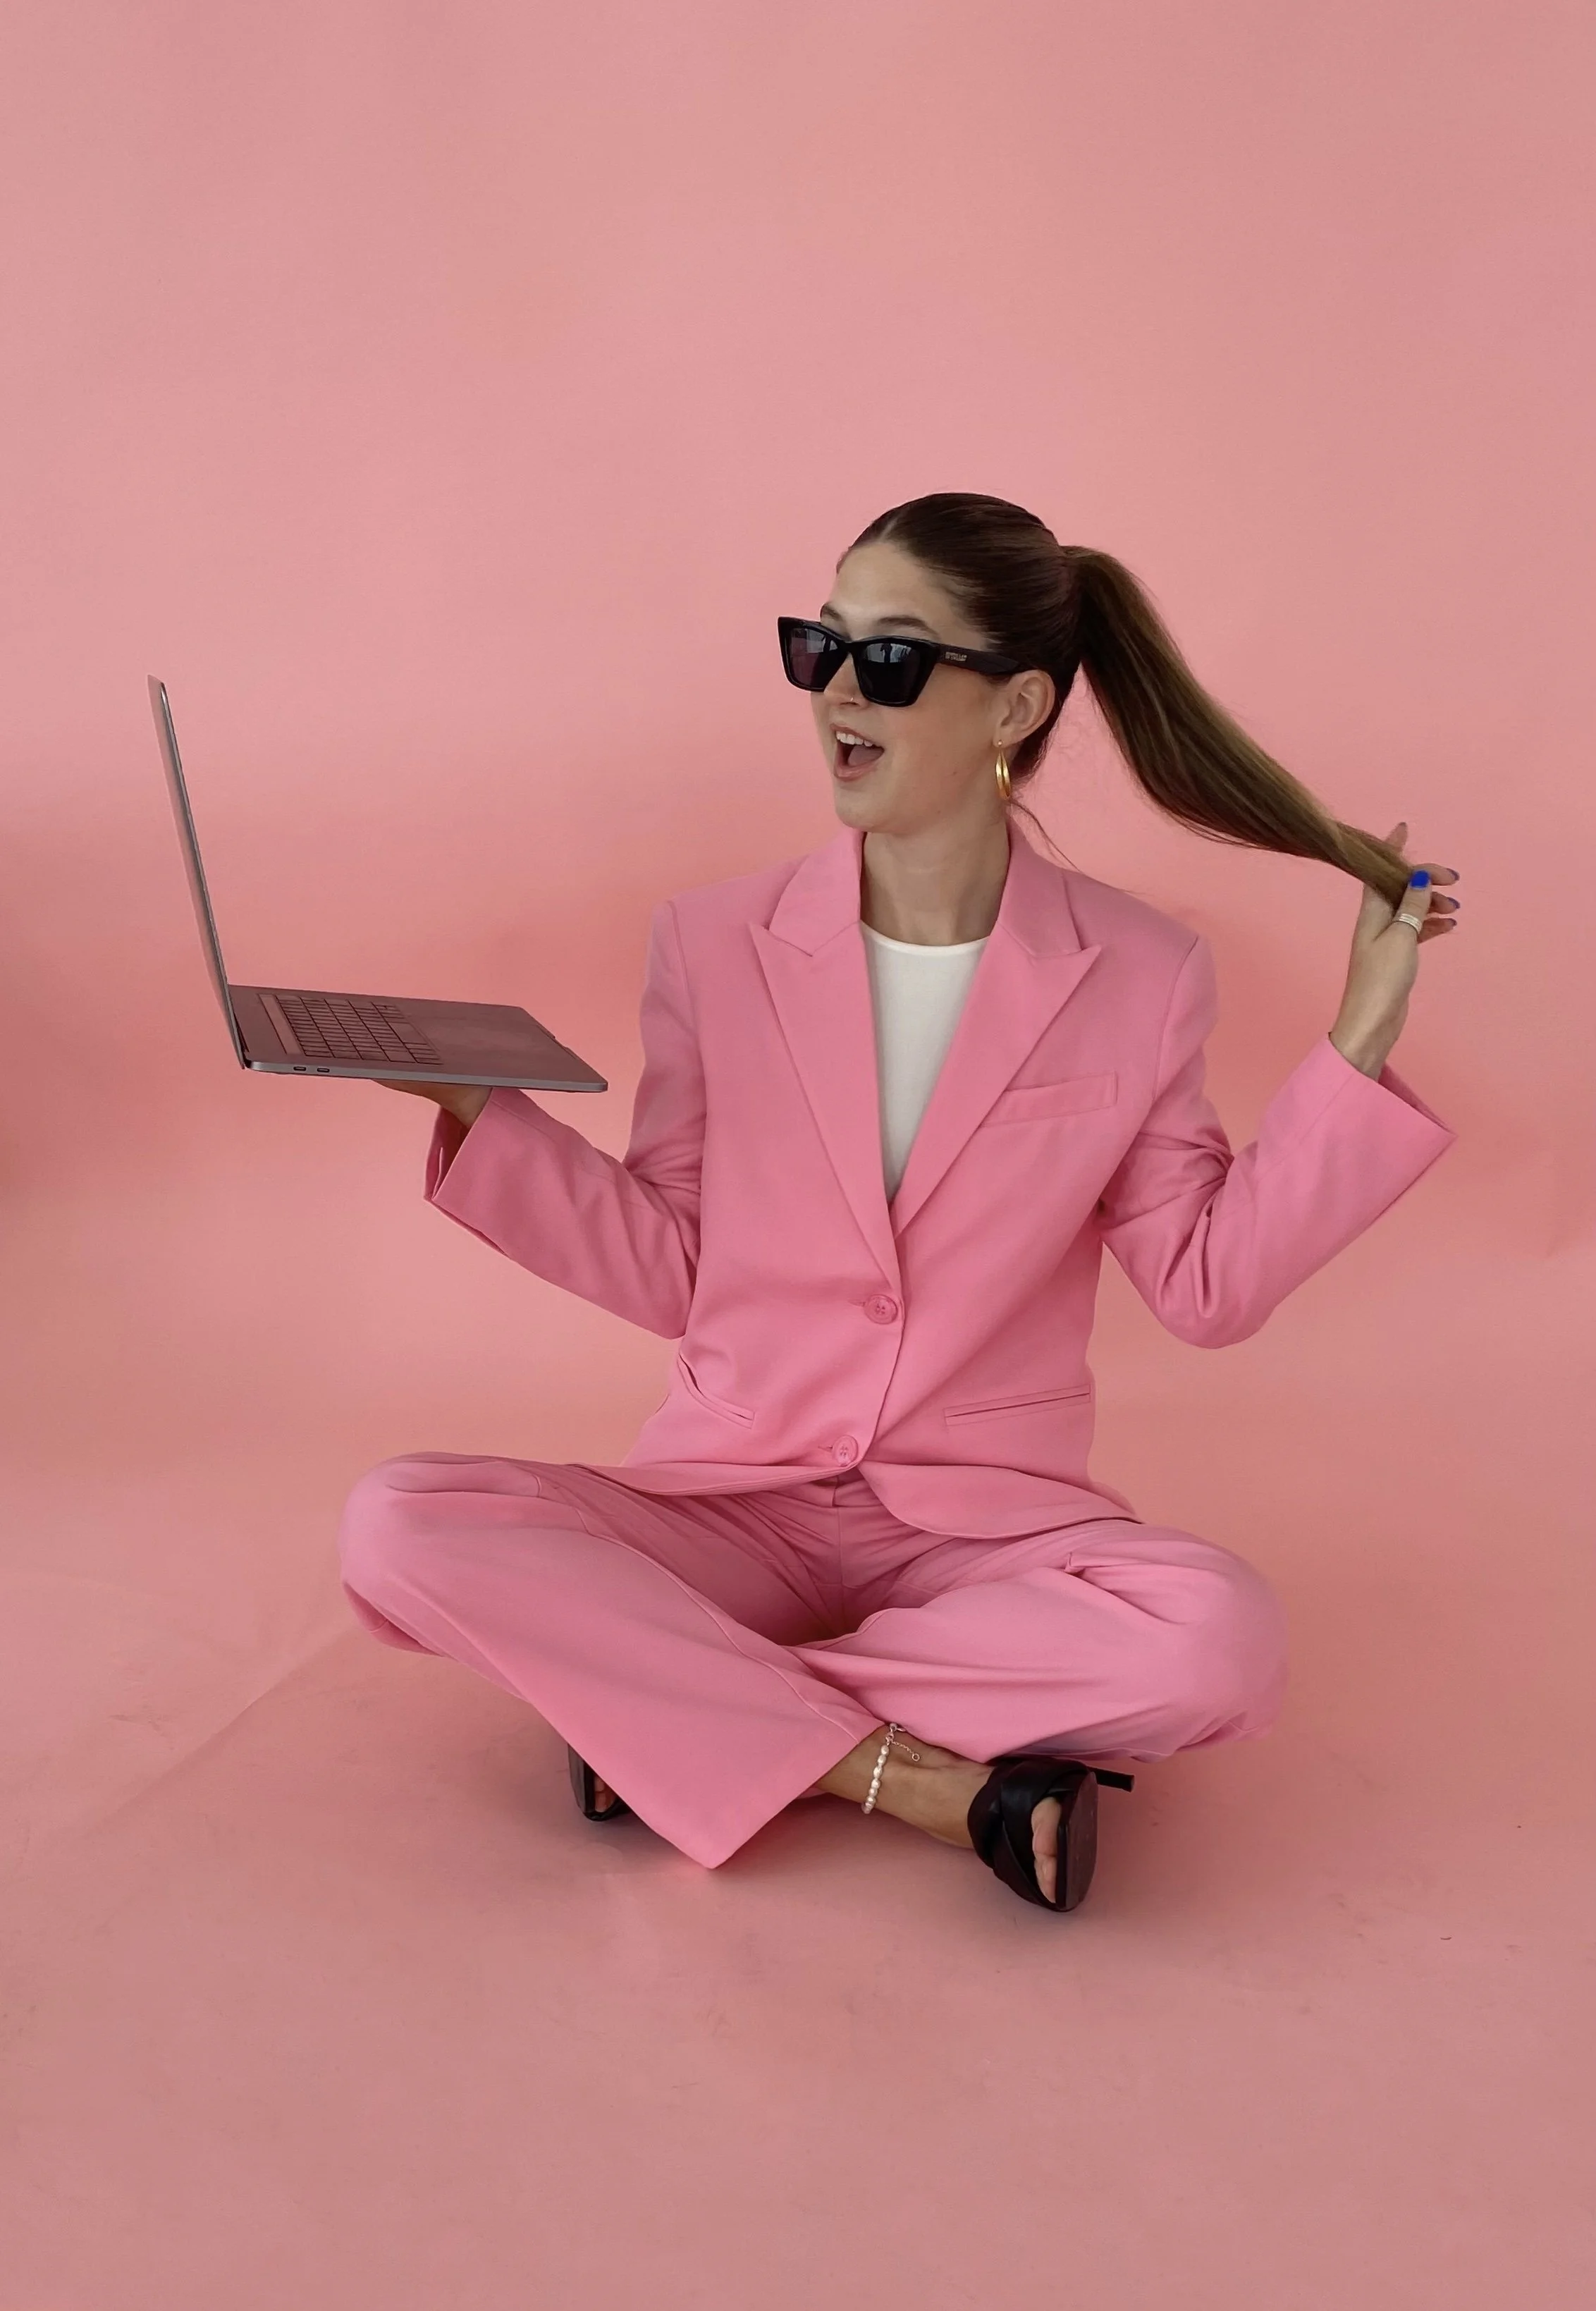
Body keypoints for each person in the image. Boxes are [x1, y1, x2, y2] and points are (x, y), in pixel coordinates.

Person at [337, 492, 1459, 1913]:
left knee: (1216, 1640)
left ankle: (659, 1710)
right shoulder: (711, 940)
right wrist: (467, 1110)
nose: (834, 696)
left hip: (980, 1532)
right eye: (821, 646)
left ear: (1016, 704)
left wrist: (1357, 1035)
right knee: (397, 1523)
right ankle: (917, 1778)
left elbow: (1205, 1284)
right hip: (729, 1497)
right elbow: (680, 1267)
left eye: (889, 658)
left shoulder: (1141, 968)